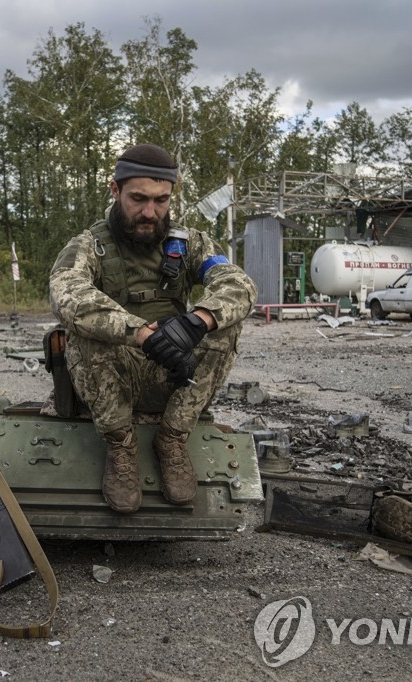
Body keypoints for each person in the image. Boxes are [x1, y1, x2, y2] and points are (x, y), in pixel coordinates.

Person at [49, 143, 257, 513]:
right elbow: (68, 294)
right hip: (112, 381)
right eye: (139, 199)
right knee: (84, 326)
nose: (150, 212)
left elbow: (238, 284)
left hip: (173, 379)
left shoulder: (189, 244)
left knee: (227, 322)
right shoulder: (88, 246)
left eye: (161, 200)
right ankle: (121, 445)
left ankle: (173, 438)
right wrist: (142, 335)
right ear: (115, 191)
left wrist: (199, 321)